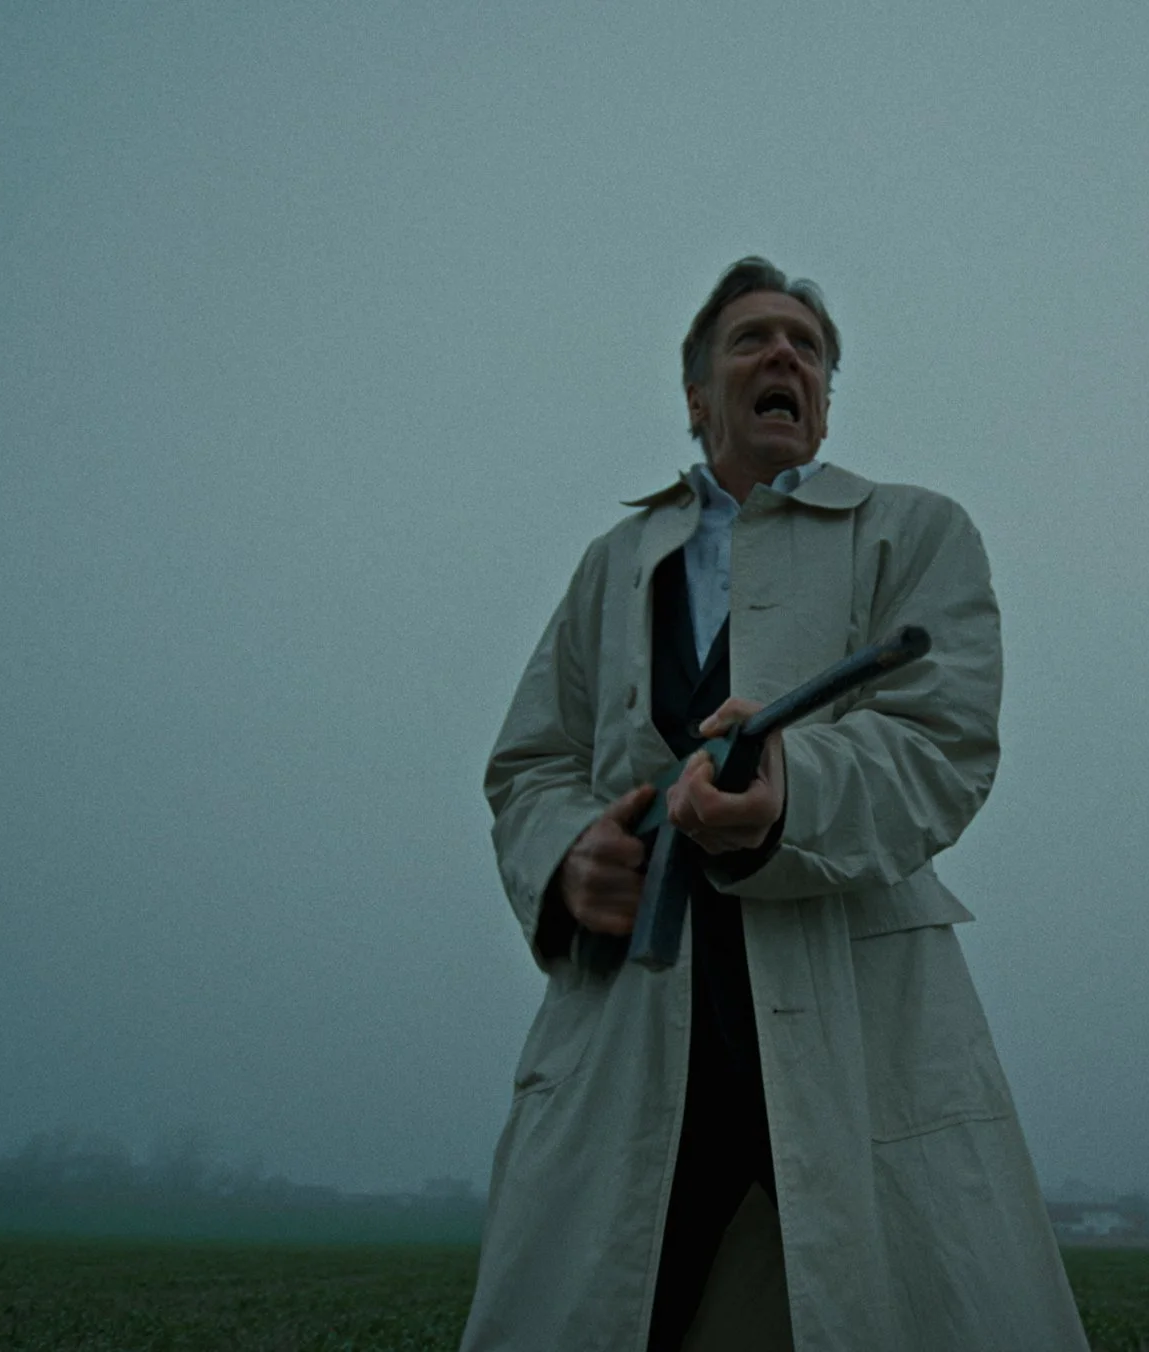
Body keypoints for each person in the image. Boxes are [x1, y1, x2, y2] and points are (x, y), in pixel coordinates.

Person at [461, 258, 1089, 1351]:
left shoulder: (917, 531)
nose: (783, 355)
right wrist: (568, 854)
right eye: (750, 338)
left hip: (856, 1003)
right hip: (631, 1020)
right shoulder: (610, 567)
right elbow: (532, 763)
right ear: (698, 396)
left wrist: (788, 790)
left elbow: (941, 742)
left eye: (805, 344)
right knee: (610, 1305)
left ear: (826, 400)